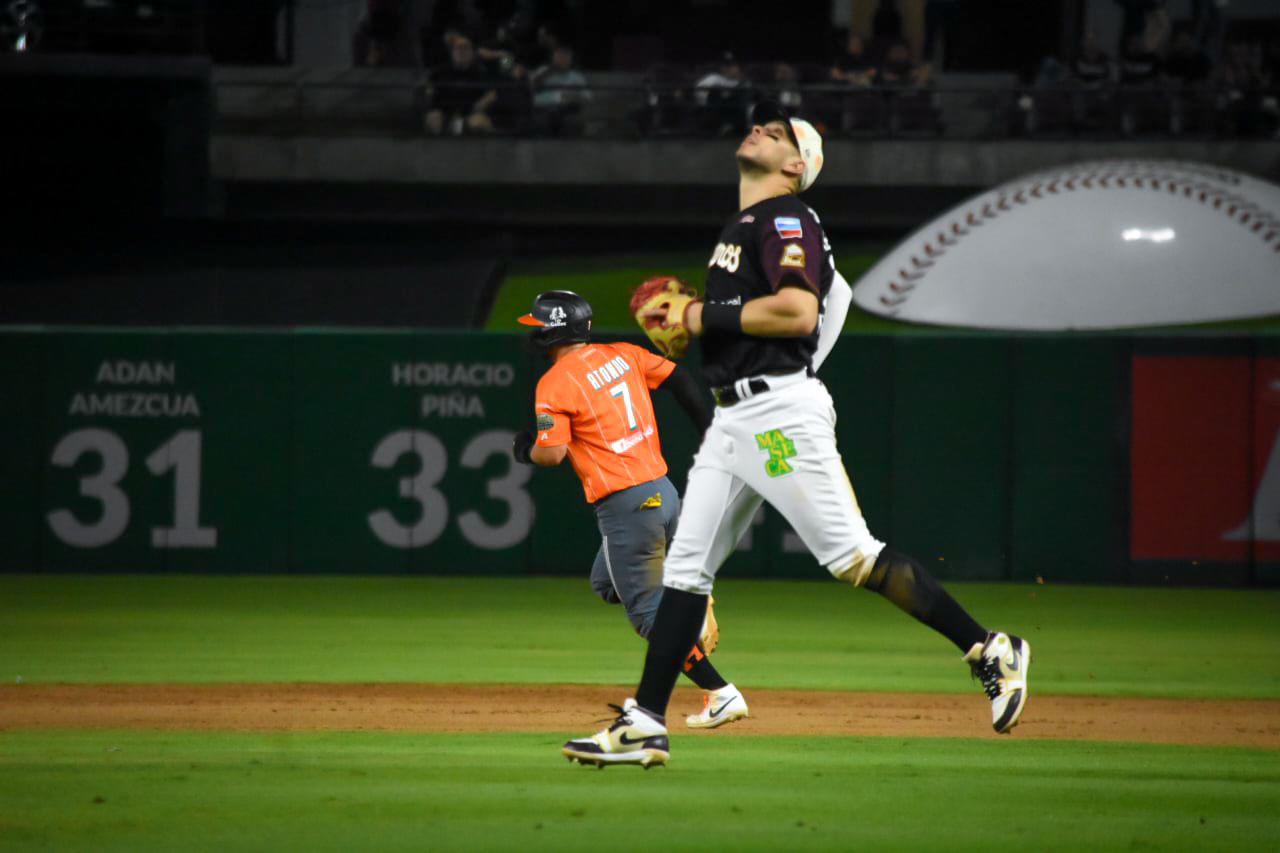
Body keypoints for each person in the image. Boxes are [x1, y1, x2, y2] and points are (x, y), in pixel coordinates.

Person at [562, 102, 1031, 769]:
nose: (759, 128)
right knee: (687, 573)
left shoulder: (786, 216)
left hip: (776, 415)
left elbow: (798, 309)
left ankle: (990, 646)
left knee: (853, 557)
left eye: (778, 133)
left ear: (794, 167)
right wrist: (714, 318)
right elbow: (833, 300)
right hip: (736, 420)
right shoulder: (748, 225)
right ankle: (645, 720)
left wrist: (698, 312)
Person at [512, 290, 751, 732]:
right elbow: (679, 377)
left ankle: (720, 693)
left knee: (647, 613)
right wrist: (710, 431)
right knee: (605, 583)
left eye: (538, 326)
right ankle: (690, 606)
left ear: (553, 331)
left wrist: (525, 449)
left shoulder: (555, 382)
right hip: (663, 491)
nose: (533, 334)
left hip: (626, 505)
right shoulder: (623, 354)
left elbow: (553, 454)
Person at [424, 34, 497, 135]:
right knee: (433, 118)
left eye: (466, 48)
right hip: (445, 115)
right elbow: (428, 91)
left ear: (472, 52)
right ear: (452, 52)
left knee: (480, 122)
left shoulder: (481, 73)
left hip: (469, 116)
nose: (462, 51)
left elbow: (492, 93)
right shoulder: (439, 73)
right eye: (458, 48)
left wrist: (483, 102)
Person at [531, 44, 591, 136]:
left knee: (571, 122)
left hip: (567, 110)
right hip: (544, 109)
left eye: (565, 58)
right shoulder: (543, 72)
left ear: (570, 60)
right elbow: (532, 88)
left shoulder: (576, 77)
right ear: (553, 59)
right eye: (559, 58)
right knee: (541, 121)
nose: (562, 61)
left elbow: (587, 97)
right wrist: (547, 73)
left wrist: (571, 98)